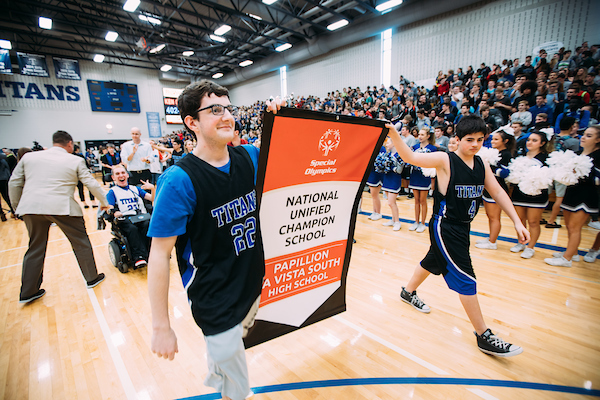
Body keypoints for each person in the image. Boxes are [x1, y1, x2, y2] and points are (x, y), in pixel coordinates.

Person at [148, 80, 264, 400]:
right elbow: (159, 255)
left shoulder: (251, 157)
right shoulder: (178, 180)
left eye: (228, 107)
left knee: (228, 363)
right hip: (215, 298)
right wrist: (161, 326)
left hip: (255, 284)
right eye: (215, 110)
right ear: (192, 122)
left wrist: (284, 118)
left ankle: (220, 368)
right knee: (238, 388)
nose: (227, 115)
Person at [387, 115, 528, 357]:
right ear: (458, 139)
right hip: (445, 226)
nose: (475, 144)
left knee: (434, 260)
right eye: (469, 140)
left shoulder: (481, 164)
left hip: (463, 227)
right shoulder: (445, 160)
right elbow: (410, 157)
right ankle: (484, 335)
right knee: (465, 276)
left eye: (480, 140)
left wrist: (516, 220)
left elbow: (497, 191)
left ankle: (407, 292)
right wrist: (393, 134)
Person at [8, 130, 109, 304]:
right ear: (69, 143)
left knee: (35, 248)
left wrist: (18, 208)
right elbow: (91, 182)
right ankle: (92, 278)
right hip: (63, 207)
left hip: (31, 207)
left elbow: (14, 182)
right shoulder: (75, 160)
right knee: (80, 242)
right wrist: (105, 202)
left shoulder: (29, 158)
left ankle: (28, 291)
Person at [545, 125, 600, 267]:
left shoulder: (598, 157)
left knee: (575, 227)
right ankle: (572, 253)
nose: (583, 137)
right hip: (572, 193)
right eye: (584, 134)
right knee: (569, 226)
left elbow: (597, 179)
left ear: (598, 139)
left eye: (589, 135)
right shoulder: (578, 153)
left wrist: (586, 175)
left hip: (586, 196)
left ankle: (567, 259)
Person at [509, 130, 551, 259]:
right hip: (519, 194)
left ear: (542, 143)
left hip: (537, 194)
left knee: (533, 222)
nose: (530, 143)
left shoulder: (546, 158)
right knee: (520, 221)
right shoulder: (520, 156)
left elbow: (548, 178)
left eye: (534, 140)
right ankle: (521, 242)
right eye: (528, 140)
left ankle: (530, 247)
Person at [476, 126, 516, 250]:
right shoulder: (494, 152)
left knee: (494, 217)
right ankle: (491, 238)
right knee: (490, 215)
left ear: (505, 141)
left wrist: (490, 168)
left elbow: (505, 173)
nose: (492, 141)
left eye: (496, 139)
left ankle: (492, 242)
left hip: (498, 188)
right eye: (493, 139)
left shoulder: (506, 154)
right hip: (488, 189)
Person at [106, 165, 154, 267]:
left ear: (127, 175)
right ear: (113, 177)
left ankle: (152, 253)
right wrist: (115, 212)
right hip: (125, 218)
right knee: (132, 229)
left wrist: (153, 189)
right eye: (117, 174)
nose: (121, 175)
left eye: (123, 173)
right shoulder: (112, 192)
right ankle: (138, 257)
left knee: (148, 225)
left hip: (140, 216)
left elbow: (153, 199)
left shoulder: (135, 189)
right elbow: (109, 207)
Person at [408, 128, 437, 233]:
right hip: (415, 176)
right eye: (419, 134)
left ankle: (423, 223)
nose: (420, 136)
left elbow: (433, 164)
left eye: (422, 134)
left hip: (425, 177)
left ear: (428, 136)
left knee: (422, 201)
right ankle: (416, 221)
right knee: (416, 200)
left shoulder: (433, 148)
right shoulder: (414, 147)